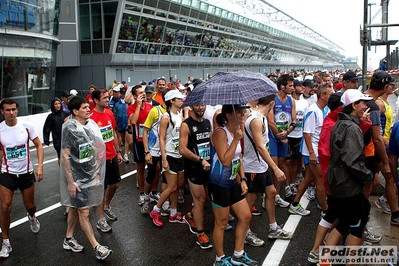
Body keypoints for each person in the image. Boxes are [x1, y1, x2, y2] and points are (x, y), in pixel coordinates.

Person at [60, 96, 112, 260]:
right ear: (75, 111)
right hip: (75, 179)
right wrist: (70, 181)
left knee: (76, 208)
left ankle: (68, 238)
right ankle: (97, 247)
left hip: (87, 175)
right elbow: (65, 155)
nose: (88, 109)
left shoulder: (89, 127)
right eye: (84, 108)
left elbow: (93, 150)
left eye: (88, 107)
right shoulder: (69, 129)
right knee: (84, 211)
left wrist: (95, 173)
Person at [324, 89, 373, 248]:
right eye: (363, 103)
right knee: (356, 223)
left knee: (344, 221)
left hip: (339, 181)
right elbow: (352, 160)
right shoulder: (351, 128)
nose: (365, 106)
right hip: (347, 183)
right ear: (353, 105)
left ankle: (324, 260)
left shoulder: (341, 123)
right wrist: (368, 176)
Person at [210, 104, 257, 266]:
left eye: (243, 111)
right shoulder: (220, 133)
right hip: (219, 183)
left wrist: (242, 179)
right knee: (221, 223)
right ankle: (220, 259)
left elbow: (239, 158)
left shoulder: (236, 131)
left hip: (232, 181)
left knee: (245, 216)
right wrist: (236, 139)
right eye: (239, 112)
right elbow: (225, 160)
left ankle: (238, 254)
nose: (243, 114)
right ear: (229, 115)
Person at [243, 95, 292, 248]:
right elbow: (260, 146)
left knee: (271, 192)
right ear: (271, 103)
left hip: (261, 165)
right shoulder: (256, 120)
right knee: (250, 202)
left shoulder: (260, 117)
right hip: (253, 167)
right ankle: (245, 233)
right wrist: (275, 168)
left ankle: (273, 228)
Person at [0, 99, 43, 258]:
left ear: (17, 110)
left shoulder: (26, 126)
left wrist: (39, 166)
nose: (11, 113)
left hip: (26, 173)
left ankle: (31, 216)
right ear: (2, 112)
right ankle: (5, 242)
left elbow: (39, 145)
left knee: (30, 205)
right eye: (7, 110)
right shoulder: (0, 129)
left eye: (13, 109)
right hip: (7, 173)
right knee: (5, 207)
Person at [289, 83, 333, 216]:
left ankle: (295, 204)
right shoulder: (312, 110)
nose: (331, 96)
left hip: (319, 149)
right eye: (330, 94)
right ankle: (326, 211)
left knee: (308, 178)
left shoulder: (325, 109)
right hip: (311, 151)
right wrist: (312, 154)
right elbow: (307, 133)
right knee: (320, 179)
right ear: (322, 95)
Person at [149, 90, 186, 226]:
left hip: (179, 155)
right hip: (169, 155)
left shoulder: (180, 114)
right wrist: (163, 158)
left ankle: (173, 213)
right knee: (171, 186)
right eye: (179, 99)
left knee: (178, 185)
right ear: (172, 101)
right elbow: (161, 138)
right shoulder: (166, 117)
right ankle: (156, 210)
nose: (182, 100)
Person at [179, 104, 213, 249]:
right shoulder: (186, 125)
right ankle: (200, 235)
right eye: (198, 105)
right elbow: (182, 149)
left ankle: (191, 215)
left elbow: (211, 142)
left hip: (207, 166)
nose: (201, 108)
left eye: (203, 105)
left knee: (206, 200)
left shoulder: (206, 123)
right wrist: (199, 159)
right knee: (200, 200)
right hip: (194, 167)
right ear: (192, 106)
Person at [90, 88, 123, 232]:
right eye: (104, 98)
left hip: (112, 156)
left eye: (107, 97)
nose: (107, 99)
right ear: (96, 100)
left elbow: (113, 133)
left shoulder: (109, 113)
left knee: (115, 184)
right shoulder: (90, 118)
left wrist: (118, 151)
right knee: (101, 189)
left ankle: (106, 206)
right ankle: (100, 219)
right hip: (99, 160)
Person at [267, 74, 296, 203]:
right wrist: (280, 134)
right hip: (273, 137)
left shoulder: (291, 101)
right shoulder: (273, 99)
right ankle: (268, 194)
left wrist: (287, 131)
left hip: (284, 137)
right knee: (274, 166)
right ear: (282, 86)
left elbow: (294, 120)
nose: (293, 88)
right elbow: (270, 121)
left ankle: (277, 195)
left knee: (281, 164)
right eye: (290, 85)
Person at [126, 85, 155, 206]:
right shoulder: (131, 108)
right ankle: (142, 193)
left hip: (151, 141)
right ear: (134, 96)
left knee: (155, 167)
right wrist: (138, 105)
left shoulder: (150, 107)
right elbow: (133, 121)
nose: (143, 94)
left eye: (143, 92)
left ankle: (153, 191)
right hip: (138, 141)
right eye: (140, 93)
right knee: (141, 168)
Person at [43, 97, 69, 165]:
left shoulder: (65, 114)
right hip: (57, 138)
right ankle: (62, 170)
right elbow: (47, 128)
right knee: (60, 155)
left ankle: (67, 169)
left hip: (66, 137)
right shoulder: (51, 117)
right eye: (56, 104)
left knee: (67, 155)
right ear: (53, 105)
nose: (58, 105)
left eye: (59, 103)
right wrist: (46, 139)